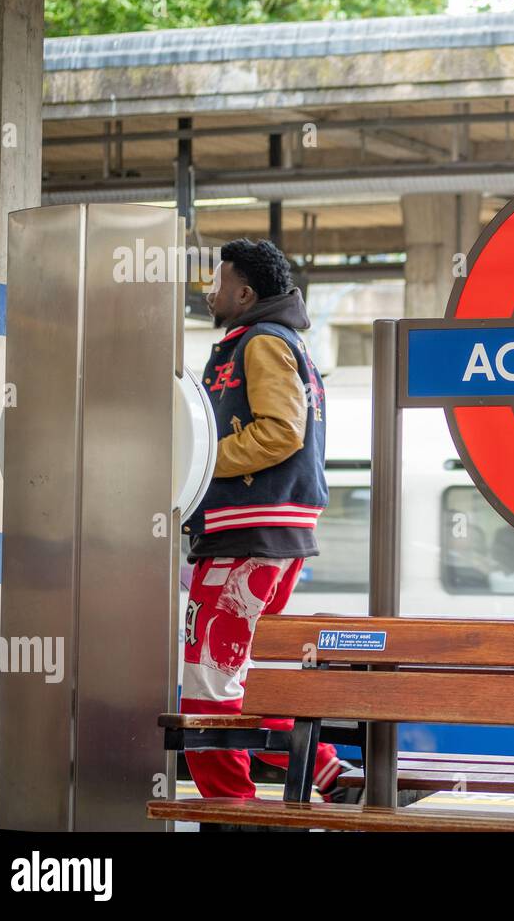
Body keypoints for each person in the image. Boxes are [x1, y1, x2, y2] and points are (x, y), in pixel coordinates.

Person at [180, 239, 353, 803]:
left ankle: (232, 812)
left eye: (219, 281)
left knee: (206, 687)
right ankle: (329, 774)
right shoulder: (273, 343)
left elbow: (282, 431)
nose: (210, 290)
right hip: (269, 535)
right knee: (237, 679)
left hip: (246, 533)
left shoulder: (261, 343)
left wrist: (199, 462)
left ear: (246, 293)